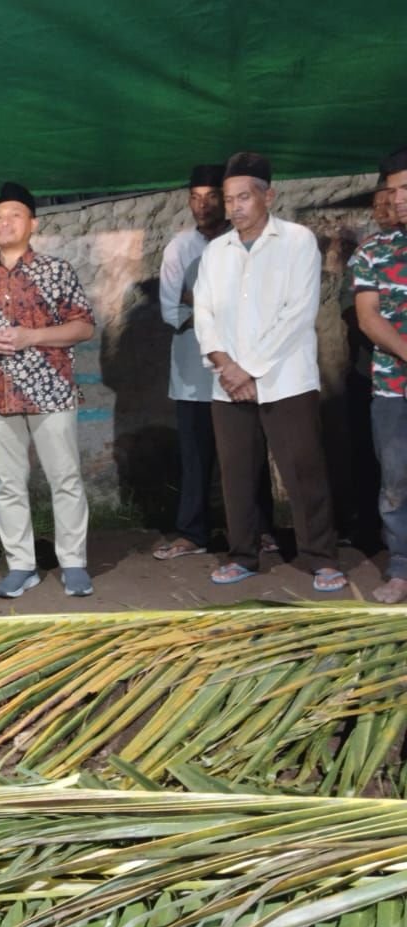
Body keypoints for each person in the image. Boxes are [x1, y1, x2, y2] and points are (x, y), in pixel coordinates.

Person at [193, 152, 346, 592]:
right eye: (229, 199)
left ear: (268, 196)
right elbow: (202, 312)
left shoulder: (296, 241)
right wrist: (225, 365)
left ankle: (320, 556)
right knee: (237, 473)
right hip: (227, 383)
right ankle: (242, 555)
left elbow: (297, 313)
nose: (235, 207)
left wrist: (250, 370)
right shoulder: (216, 252)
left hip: (286, 380)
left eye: (244, 197)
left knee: (303, 469)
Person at [0, 182, 96, 598]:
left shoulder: (56, 270)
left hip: (50, 391)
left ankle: (73, 562)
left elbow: (83, 326)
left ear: (32, 223)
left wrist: (31, 337)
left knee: (65, 477)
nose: (4, 222)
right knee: (7, 484)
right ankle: (21, 565)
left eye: (13, 215)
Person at [153, 165, 279, 561]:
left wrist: (204, 304)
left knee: (248, 452)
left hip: (240, 369)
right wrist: (213, 309)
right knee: (195, 457)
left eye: (211, 197)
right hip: (193, 371)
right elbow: (170, 311)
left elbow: (257, 303)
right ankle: (193, 533)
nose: (202, 205)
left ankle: (260, 530)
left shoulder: (247, 241)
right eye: (195, 197)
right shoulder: (178, 248)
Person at [352, 148, 407, 604]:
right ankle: (401, 569)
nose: (398, 198)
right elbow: (369, 318)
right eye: (393, 190)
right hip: (392, 385)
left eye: (406, 188)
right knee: (395, 480)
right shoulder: (374, 250)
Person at [342, 182, 399, 554]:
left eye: (389, 202)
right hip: (379, 376)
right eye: (377, 204)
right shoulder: (369, 255)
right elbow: (367, 319)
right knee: (387, 471)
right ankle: (387, 549)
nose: (383, 209)